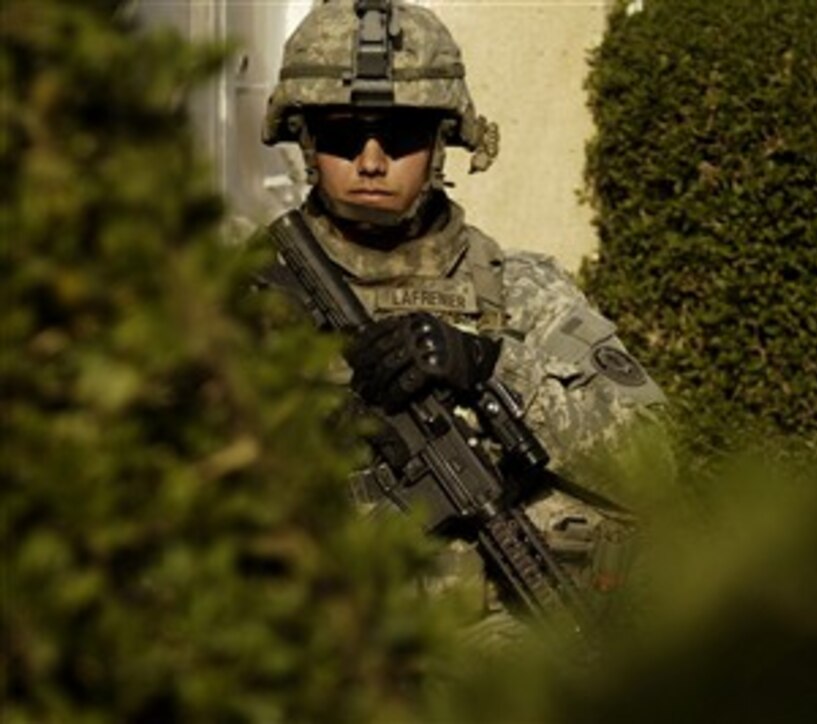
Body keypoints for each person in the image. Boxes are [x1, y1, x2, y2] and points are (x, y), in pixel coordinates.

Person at [258, 0, 670, 645]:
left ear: (445, 143)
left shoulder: (518, 291)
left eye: (399, 138)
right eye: (342, 133)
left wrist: (491, 367)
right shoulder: (241, 297)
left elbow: (653, 463)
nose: (370, 161)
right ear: (305, 140)